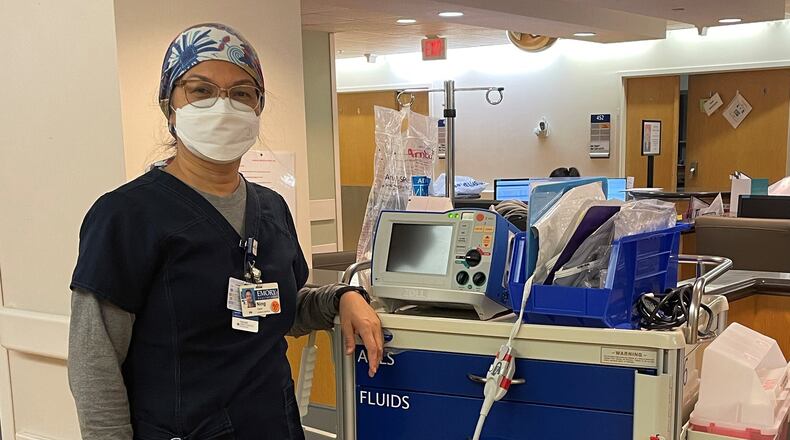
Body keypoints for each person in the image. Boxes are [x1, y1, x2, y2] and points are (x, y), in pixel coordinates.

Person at [68, 23, 383, 440]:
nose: (223, 105)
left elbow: (278, 309)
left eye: (241, 93)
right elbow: (95, 360)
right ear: (170, 105)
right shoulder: (126, 215)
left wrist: (342, 297)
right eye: (200, 90)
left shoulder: (269, 208)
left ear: (258, 108)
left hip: (272, 425)